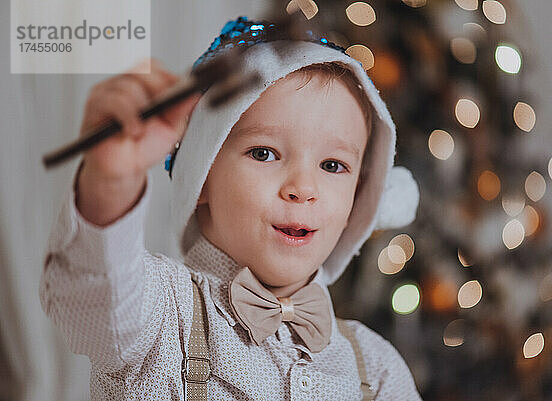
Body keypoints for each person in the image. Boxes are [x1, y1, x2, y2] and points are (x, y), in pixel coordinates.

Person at [40, 16, 421, 400]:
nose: (303, 189)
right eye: (264, 153)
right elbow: (91, 297)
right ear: (202, 175)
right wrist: (110, 181)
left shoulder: (375, 367)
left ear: (360, 195)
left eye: (333, 166)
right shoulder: (161, 315)